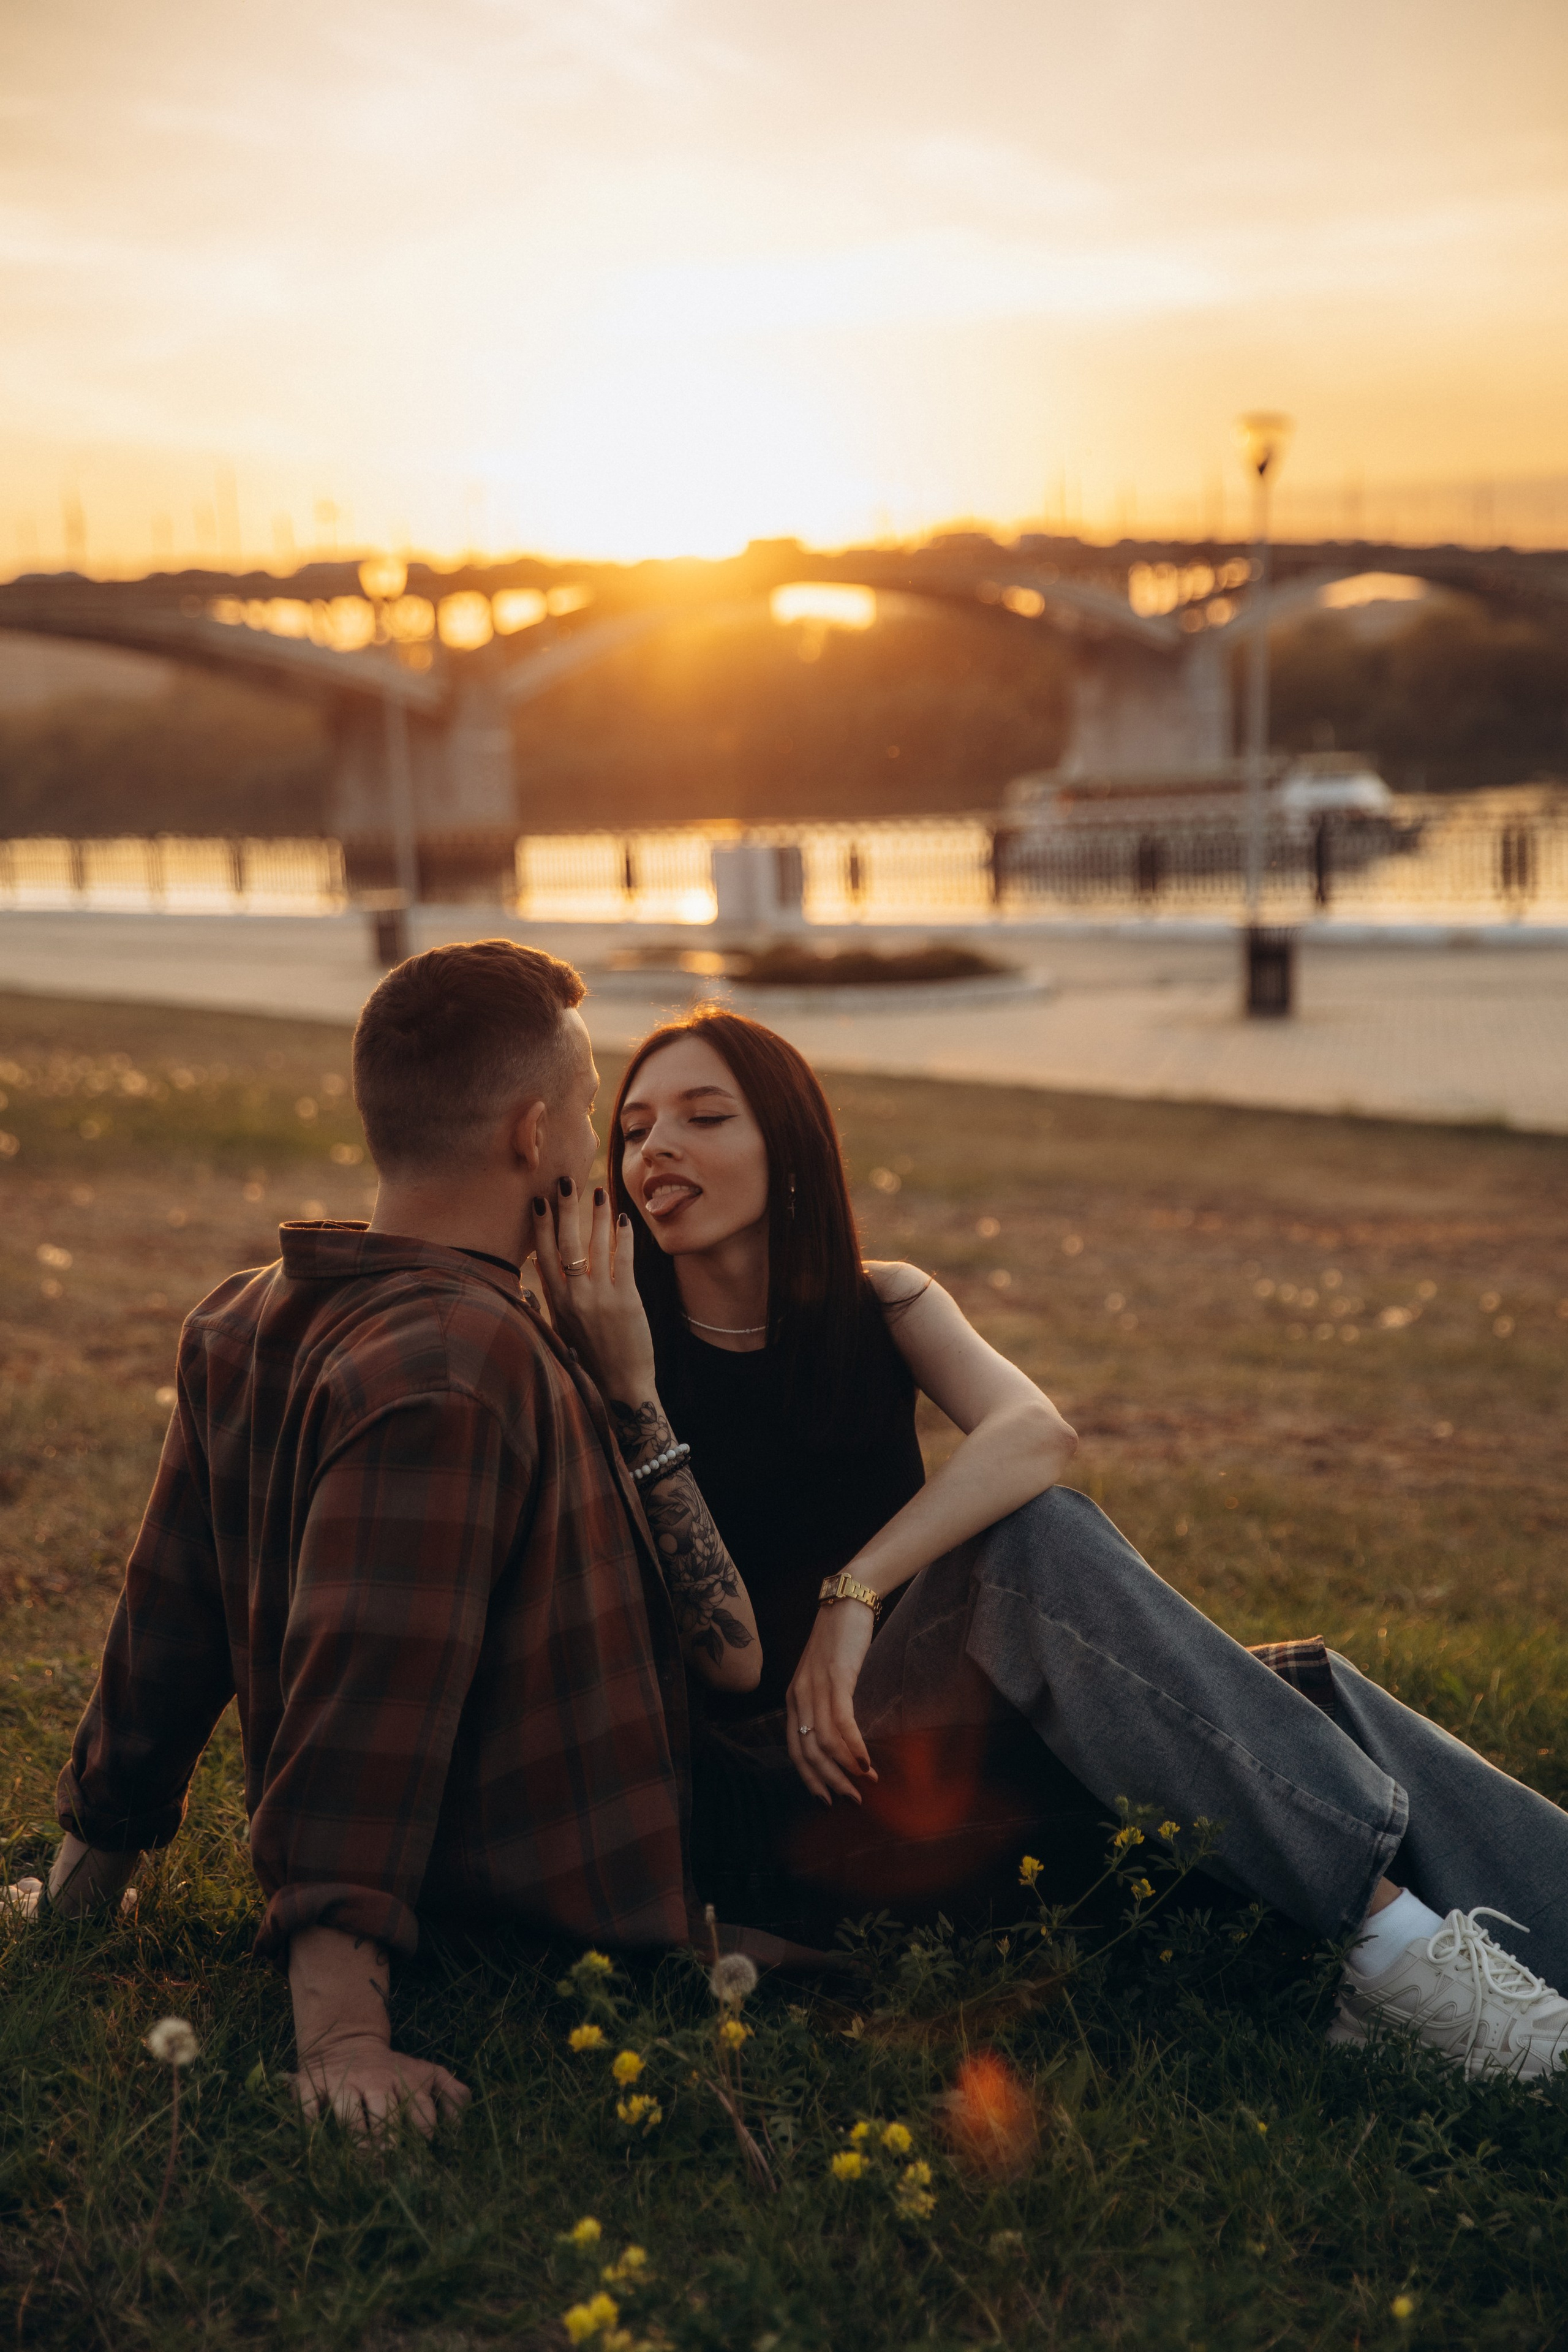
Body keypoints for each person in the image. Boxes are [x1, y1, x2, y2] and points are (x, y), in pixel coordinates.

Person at [530, 1005, 1568, 2083]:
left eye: (703, 1117)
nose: (658, 1150)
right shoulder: (617, 1346)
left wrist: (855, 1597)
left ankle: (1502, 1961)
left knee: (1305, 1691)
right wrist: (630, 1387)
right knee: (1041, 1542)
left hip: (919, 1722)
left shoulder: (882, 1302)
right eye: (637, 1129)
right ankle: (1394, 1948)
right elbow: (729, 1662)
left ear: (786, 1144)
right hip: (784, 1782)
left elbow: (1034, 1432)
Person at [44, 940, 771, 2136]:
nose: (603, 1158)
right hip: (591, 1881)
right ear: (532, 1136)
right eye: (593, 1116)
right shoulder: (459, 1362)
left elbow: (165, 1625)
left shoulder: (241, 1315)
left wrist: (82, 1889)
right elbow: (370, 1686)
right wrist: (343, 2041)